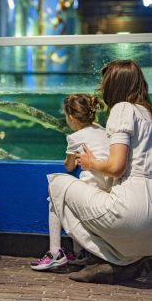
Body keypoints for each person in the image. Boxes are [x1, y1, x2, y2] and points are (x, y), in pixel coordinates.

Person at [48, 59, 152, 284]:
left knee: (56, 184)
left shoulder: (122, 108)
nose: (100, 88)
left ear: (115, 84)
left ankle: (106, 259)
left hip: (130, 214)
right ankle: (130, 261)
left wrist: (90, 163)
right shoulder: (147, 113)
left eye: (103, 82)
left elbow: (116, 167)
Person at [31, 93, 111, 271]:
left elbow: (68, 166)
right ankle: (79, 253)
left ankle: (55, 253)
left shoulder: (74, 137)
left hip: (91, 195)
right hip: (108, 193)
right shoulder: (104, 131)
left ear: (72, 118)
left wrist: (72, 156)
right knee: (68, 199)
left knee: (55, 194)